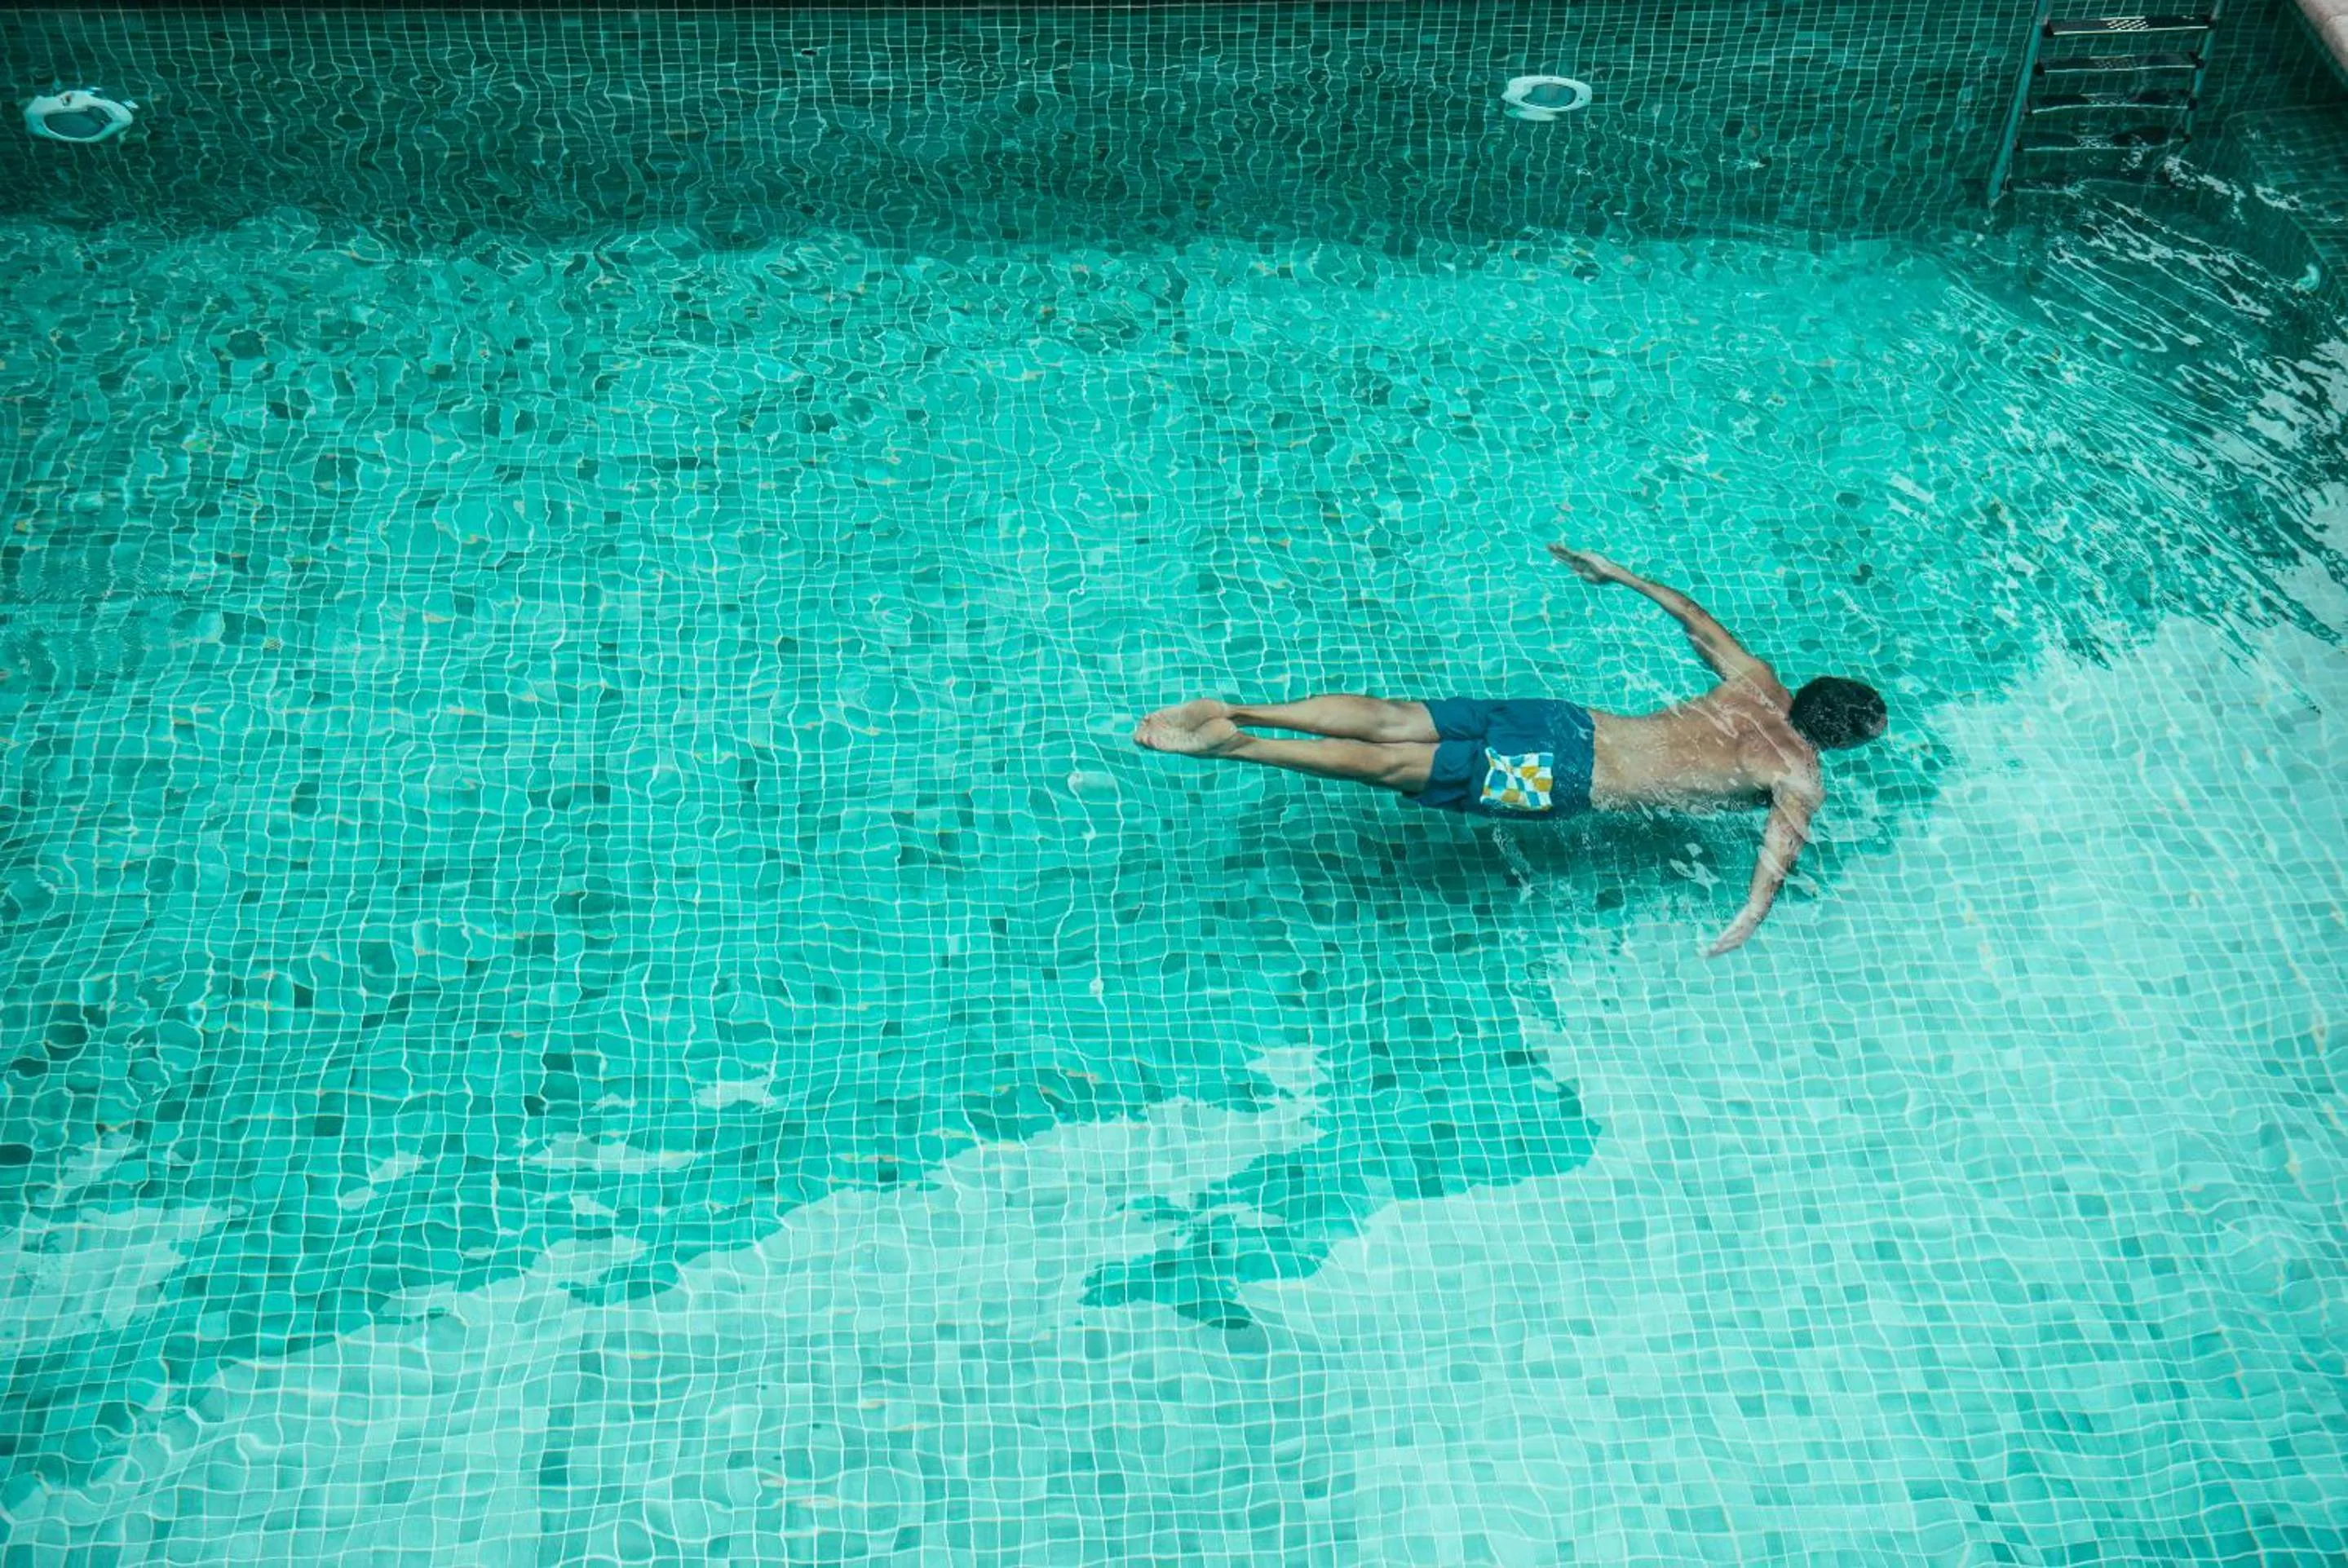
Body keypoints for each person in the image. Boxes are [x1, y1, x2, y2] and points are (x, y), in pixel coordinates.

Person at [1134, 545, 1887, 954]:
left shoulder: (1754, 681)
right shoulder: (1798, 772)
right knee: (1403, 766)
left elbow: (1690, 616)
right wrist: (1749, 917)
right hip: (1564, 775)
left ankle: (1242, 706)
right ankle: (1239, 746)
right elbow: (1777, 854)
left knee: (1399, 718)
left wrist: (1615, 573)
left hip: (1570, 724)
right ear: (1837, 737)